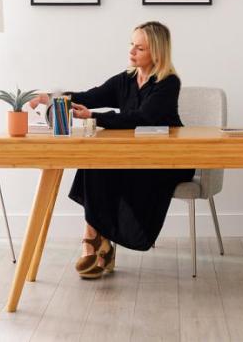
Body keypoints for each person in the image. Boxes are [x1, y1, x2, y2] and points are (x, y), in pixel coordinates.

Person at [29, 21, 194, 279]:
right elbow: (89, 96)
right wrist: (50, 98)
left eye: (139, 48)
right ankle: (94, 239)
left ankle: (96, 243)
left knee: (101, 166)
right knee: (94, 161)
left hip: (166, 161)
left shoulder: (168, 83)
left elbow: (142, 117)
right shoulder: (125, 80)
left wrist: (93, 116)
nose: (131, 51)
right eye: (132, 44)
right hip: (134, 156)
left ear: (157, 52)